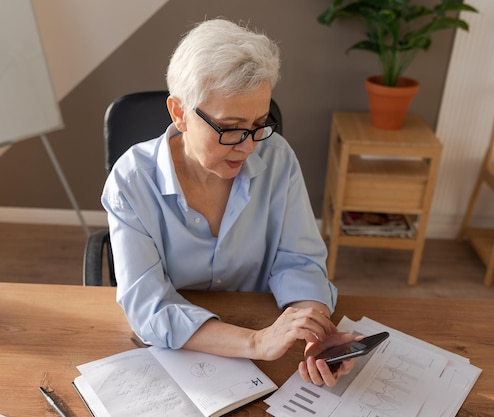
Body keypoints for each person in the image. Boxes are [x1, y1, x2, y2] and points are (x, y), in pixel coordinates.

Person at [101, 18, 357, 386]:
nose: (249, 146)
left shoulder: (277, 158)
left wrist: (312, 326)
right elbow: (149, 307)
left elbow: (298, 262)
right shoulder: (131, 181)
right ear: (179, 113)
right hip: (180, 359)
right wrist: (255, 341)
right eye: (231, 127)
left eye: (259, 123)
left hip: (265, 348)